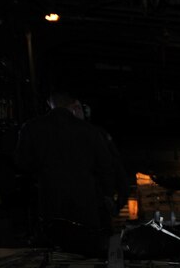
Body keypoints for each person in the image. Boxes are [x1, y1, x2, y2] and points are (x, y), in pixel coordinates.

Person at [15, 91, 127, 255]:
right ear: (74, 106)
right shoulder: (90, 131)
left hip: (50, 200)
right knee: (87, 249)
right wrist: (108, 195)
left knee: (54, 246)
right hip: (85, 202)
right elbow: (106, 167)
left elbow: (22, 163)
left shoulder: (31, 128)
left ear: (50, 105)